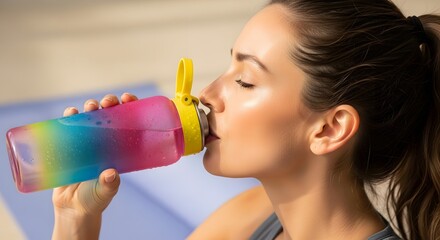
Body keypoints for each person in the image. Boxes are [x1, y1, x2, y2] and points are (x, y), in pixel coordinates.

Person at [51, 0, 440, 239]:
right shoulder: (251, 215)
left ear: (330, 128)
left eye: (244, 81)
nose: (207, 94)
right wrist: (75, 220)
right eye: (229, 63)